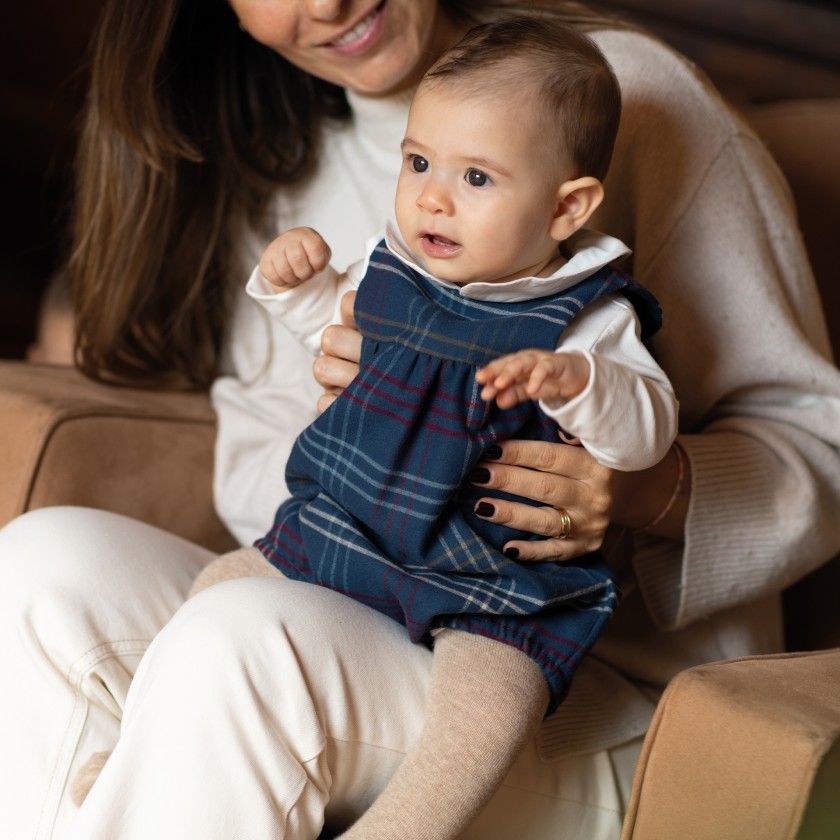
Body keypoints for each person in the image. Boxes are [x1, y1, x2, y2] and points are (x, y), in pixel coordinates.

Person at [0, 1, 838, 839]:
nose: (325, 3)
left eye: (474, 177)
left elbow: (817, 443)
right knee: (39, 566)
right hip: (361, 605)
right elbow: (263, 472)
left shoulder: (616, 93)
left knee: (241, 641)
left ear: (568, 207)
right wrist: (344, 408)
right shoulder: (284, 168)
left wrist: (638, 491)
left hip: (582, 689)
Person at [202, 20, 677, 839]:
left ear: (567, 206)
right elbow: (332, 333)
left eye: (476, 178)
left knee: (492, 703)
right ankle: (132, 734)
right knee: (213, 596)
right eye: (418, 163)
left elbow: (646, 435)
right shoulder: (393, 268)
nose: (431, 197)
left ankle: (402, 828)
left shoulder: (583, 318)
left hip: (487, 577)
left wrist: (581, 385)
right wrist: (297, 289)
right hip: (343, 535)